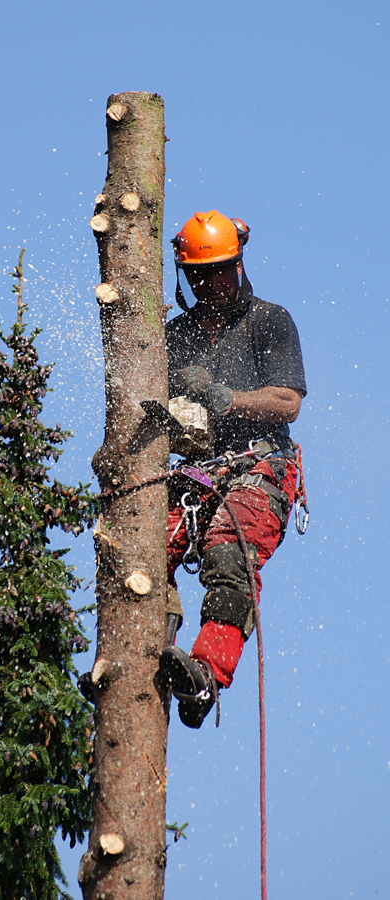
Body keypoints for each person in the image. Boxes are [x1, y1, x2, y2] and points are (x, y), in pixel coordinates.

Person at [159, 210, 307, 729]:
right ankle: (143, 656)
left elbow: (288, 402)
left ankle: (204, 675)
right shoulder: (174, 336)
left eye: (222, 270)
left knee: (228, 550)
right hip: (196, 470)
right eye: (201, 274)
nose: (212, 283)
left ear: (239, 263)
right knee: (148, 549)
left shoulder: (269, 320)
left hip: (258, 463)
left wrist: (227, 399)